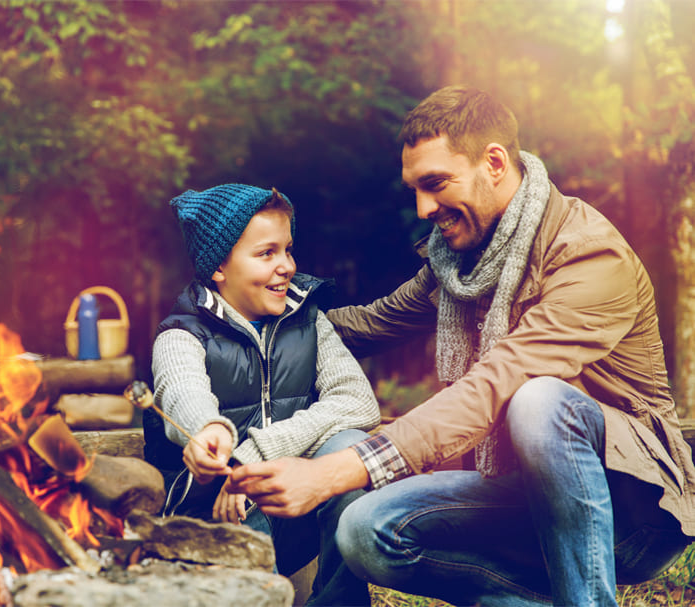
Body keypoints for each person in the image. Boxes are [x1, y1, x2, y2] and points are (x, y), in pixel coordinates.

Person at [227, 85, 695, 607]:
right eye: (415, 190)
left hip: (632, 516)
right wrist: (244, 321)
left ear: (494, 162)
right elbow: (368, 323)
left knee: (538, 401)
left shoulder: (587, 255)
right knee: (364, 530)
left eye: (436, 184)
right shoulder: (459, 266)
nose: (424, 207)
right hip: (518, 497)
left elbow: (496, 384)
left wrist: (335, 470)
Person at [143, 183, 382, 605]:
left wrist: (252, 457)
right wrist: (207, 433)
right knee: (242, 500)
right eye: (266, 253)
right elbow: (184, 393)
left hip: (293, 509)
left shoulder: (309, 322)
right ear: (219, 267)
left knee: (351, 447)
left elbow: (358, 403)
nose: (286, 266)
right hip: (214, 522)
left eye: (287, 250)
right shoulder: (181, 336)